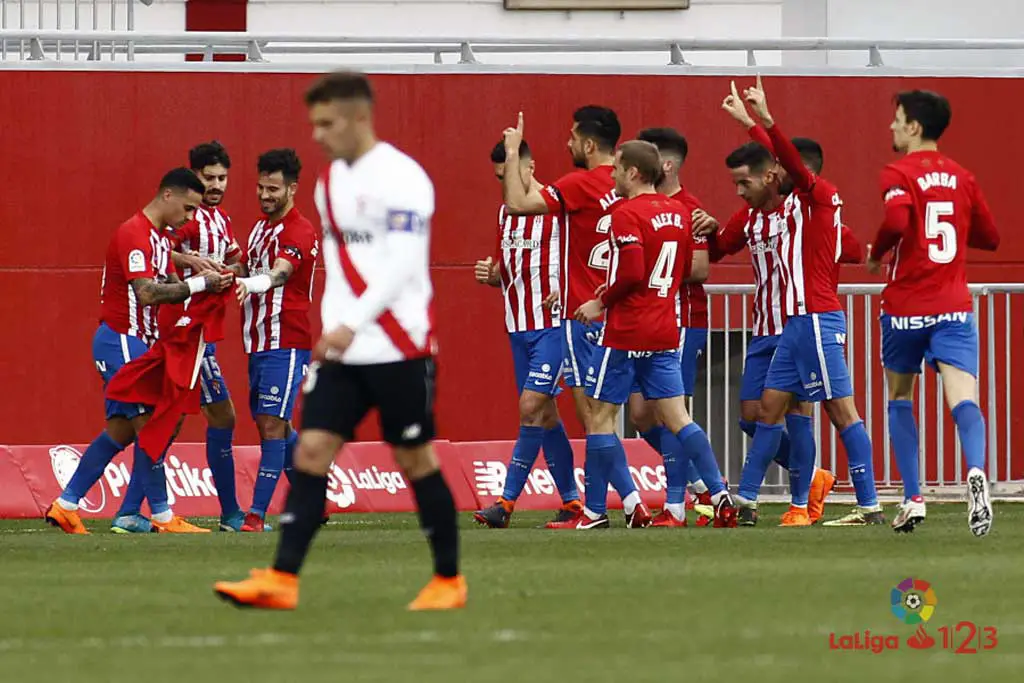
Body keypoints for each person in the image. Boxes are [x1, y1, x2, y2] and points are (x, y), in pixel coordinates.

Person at [214, 71, 466, 611]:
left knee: (415, 457)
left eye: (327, 123)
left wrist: (356, 322)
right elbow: (338, 271)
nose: (318, 135)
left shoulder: (405, 178)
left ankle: (448, 580)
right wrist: (334, 331)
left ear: (358, 118)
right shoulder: (330, 183)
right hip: (344, 350)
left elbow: (401, 264)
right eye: (314, 124)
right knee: (310, 449)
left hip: (401, 347)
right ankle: (282, 579)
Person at [720, 77, 882, 527]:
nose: (774, 169)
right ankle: (748, 503)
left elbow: (788, 161)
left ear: (798, 170)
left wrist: (765, 120)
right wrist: (748, 123)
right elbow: (850, 249)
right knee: (766, 411)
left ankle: (869, 505)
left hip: (816, 319)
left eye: (780, 165)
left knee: (839, 410)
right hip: (793, 324)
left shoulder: (818, 196)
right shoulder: (793, 209)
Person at [550, 140, 737, 529]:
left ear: (634, 172)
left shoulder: (625, 213)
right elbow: (685, 268)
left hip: (626, 331)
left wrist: (601, 302)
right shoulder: (680, 212)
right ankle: (720, 495)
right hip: (666, 327)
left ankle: (594, 511)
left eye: (617, 169)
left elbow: (633, 271)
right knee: (679, 418)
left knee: (599, 417)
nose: (613, 176)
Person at [45, 168, 231, 535]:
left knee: (120, 430)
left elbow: (163, 260)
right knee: (152, 426)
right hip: (122, 339)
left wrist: (192, 264)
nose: (190, 218)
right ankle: (161, 515)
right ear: (168, 196)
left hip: (135, 341)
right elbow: (146, 292)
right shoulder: (133, 233)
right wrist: (199, 283)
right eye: (189, 208)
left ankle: (66, 505)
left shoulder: (158, 237)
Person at [500, 107, 647, 525]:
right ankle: (631, 503)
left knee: (595, 418)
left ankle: (628, 505)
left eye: (570, 137)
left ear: (588, 143)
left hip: (583, 318)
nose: (566, 144)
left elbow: (516, 202)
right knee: (627, 415)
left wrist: (513, 152)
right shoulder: (627, 186)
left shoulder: (580, 184)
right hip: (622, 313)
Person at [866, 90, 999, 536]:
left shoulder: (897, 172)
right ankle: (976, 471)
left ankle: (914, 498)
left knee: (900, 399)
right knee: (963, 399)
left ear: (915, 127)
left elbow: (898, 220)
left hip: (905, 306)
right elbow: (990, 236)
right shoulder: (962, 177)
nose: (890, 127)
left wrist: (877, 251)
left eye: (897, 119)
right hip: (953, 307)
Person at [704, 133, 853, 525]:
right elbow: (719, 248)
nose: (739, 192)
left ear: (769, 176)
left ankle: (799, 503)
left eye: (743, 183)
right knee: (750, 415)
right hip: (762, 328)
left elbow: (847, 245)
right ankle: (814, 478)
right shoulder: (748, 219)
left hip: (798, 324)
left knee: (796, 411)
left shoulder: (801, 210)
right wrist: (707, 229)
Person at [472, 140, 582, 528]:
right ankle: (572, 502)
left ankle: (505, 503)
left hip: (550, 327)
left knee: (530, 407)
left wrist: (569, 290)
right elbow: (512, 268)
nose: (506, 183)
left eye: (512, 173)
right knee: (546, 415)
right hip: (517, 327)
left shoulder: (556, 207)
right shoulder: (506, 212)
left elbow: (583, 255)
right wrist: (493, 275)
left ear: (531, 165)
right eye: (500, 177)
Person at [631, 126, 716, 527]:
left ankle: (676, 504)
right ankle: (704, 486)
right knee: (641, 415)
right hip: (646, 323)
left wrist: (646, 271)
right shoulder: (638, 205)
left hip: (681, 321)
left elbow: (699, 268)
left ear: (664, 164)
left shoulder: (689, 208)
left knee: (670, 413)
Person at [233, 148, 319, 532]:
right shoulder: (259, 229)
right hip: (256, 341)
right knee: (277, 427)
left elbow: (281, 273)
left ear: (292, 189)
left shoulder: (300, 230)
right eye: (260, 187)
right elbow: (245, 266)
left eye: (273, 189)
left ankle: (255, 516)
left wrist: (247, 282)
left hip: (287, 340)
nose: (265, 195)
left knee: (272, 423)